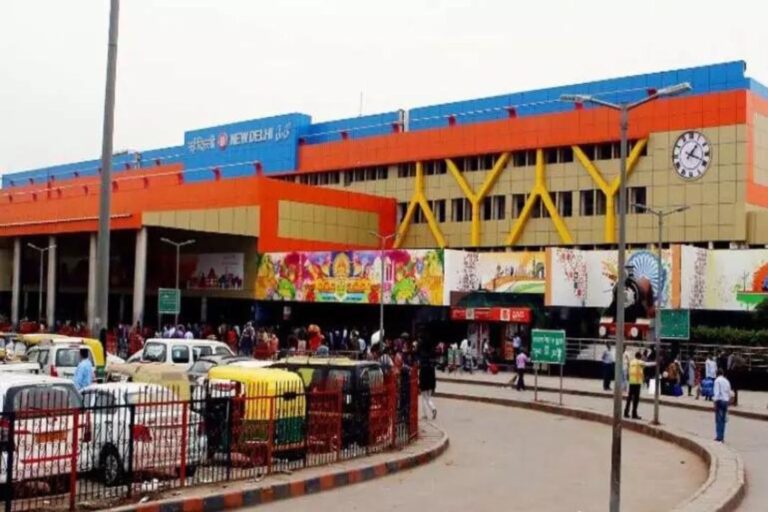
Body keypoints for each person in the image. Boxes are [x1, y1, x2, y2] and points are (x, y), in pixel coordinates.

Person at [624, 351, 653, 420]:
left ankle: (626, 412)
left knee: (629, 398)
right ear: (639, 356)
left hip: (631, 382)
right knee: (636, 399)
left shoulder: (632, 362)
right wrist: (656, 363)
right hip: (637, 383)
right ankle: (634, 414)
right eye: (641, 356)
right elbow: (648, 364)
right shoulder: (639, 362)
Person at [713, 368, 733, 442]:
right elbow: (729, 392)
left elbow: (717, 392)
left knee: (719, 420)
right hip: (726, 401)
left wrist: (715, 402)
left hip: (720, 401)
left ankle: (719, 436)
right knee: (724, 419)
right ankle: (722, 436)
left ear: (717, 374)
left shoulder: (717, 381)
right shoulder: (727, 381)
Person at [419, 351, 437, 420]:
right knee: (428, 398)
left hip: (424, 384)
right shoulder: (432, 367)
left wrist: (419, 385)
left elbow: (420, 377)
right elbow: (434, 377)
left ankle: (426, 413)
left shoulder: (423, 367)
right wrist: (434, 386)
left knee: (424, 399)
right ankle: (433, 409)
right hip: (430, 384)